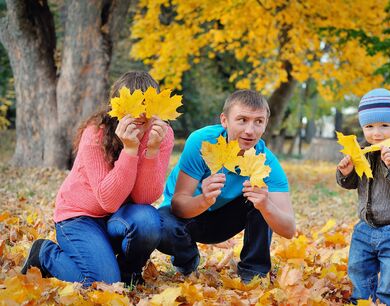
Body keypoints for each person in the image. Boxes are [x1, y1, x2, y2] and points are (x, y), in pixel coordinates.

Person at [21, 71, 174, 286]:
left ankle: (129, 273)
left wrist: (151, 151)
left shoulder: (162, 134)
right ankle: (45, 255)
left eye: (148, 105)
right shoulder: (97, 133)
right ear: (117, 106)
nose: (141, 114)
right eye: (133, 106)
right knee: (103, 283)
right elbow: (108, 200)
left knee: (148, 219)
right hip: (80, 217)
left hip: (119, 218)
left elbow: (143, 198)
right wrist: (130, 150)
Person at [157, 89, 296, 283]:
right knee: (162, 226)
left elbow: (289, 229)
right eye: (242, 120)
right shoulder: (202, 142)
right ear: (224, 120)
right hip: (184, 216)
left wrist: (266, 206)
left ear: (265, 124)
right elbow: (178, 204)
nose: (250, 130)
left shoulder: (266, 162)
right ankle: (187, 259)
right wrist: (204, 199)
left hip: (225, 220)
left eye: (258, 121)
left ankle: (252, 273)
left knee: (262, 199)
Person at [336, 88, 390, 305]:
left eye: (384, 126)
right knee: (359, 271)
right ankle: (362, 301)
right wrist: (346, 173)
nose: (377, 133)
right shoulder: (362, 150)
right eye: (369, 127)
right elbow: (352, 183)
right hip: (365, 227)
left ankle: (389, 302)